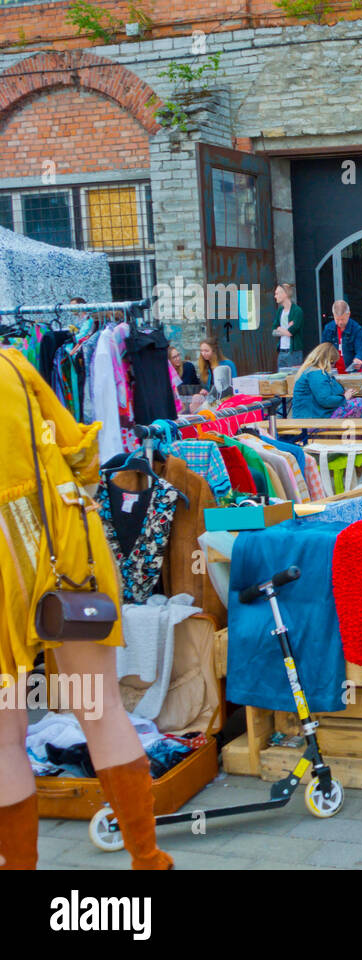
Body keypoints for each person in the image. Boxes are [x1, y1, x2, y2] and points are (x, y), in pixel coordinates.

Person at [0, 348, 173, 870]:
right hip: (65, 540)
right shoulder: (12, 362)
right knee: (99, 708)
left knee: (5, 733)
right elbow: (81, 452)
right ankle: (148, 858)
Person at [292, 343, 362, 419]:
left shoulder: (314, 372)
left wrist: (344, 395)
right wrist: (345, 397)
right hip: (314, 418)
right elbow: (325, 400)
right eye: (333, 363)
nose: (333, 366)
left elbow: (328, 394)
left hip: (316, 415)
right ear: (326, 361)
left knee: (361, 406)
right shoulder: (316, 374)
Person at [321, 300, 362, 373]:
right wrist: (327, 360)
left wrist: (359, 358)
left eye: (343, 319)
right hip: (333, 371)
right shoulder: (328, 328)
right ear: (333, 315)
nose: (340, 322)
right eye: (337, 319)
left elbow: (361, 349)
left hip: (352, 371)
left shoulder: (356, 329)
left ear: (348, 314)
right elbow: (323, 349)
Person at [271, 282, 305, 370]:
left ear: (284, 294)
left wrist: (283, 330)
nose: (275, 296)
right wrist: (284, 329)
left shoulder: (297, 311)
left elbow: (291, 332)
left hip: (293, 352)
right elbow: (274, 329)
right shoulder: (280, 311)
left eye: (277, 293)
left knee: (293, 378)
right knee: (281, 378)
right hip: (282, 351)